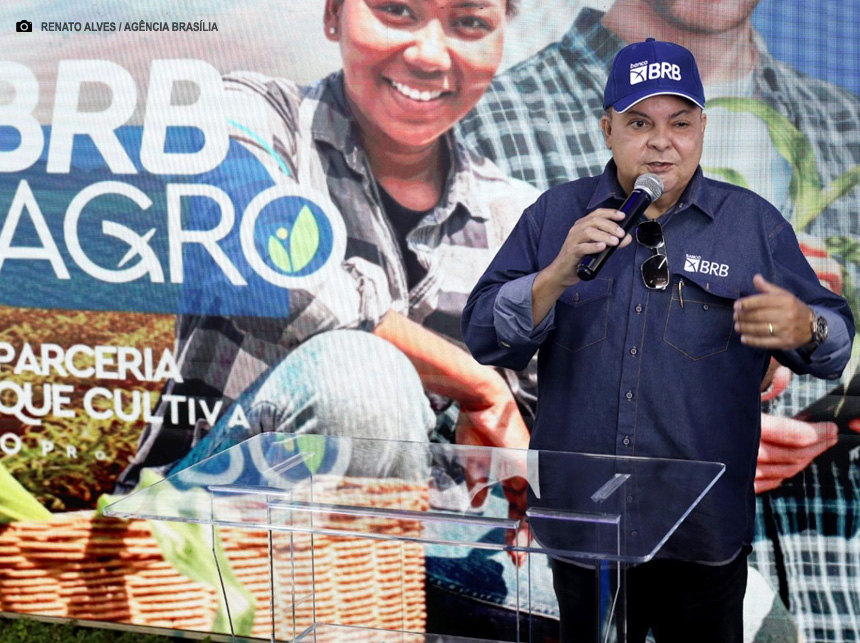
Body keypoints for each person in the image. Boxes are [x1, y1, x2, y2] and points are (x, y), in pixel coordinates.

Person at [457, 2, 860, 640]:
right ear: (607, 128)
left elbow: (834, 343)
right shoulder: (555, 213)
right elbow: (483, 333)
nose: (661, 141)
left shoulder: (749, 224)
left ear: (703, 127)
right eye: (639, 122)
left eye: (680, 122)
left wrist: (803, 326)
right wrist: (557, 273)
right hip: (581, 535)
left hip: (701, 538)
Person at [117, 0, 538, 494]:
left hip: (440, 544)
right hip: (212, 525)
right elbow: (271, 277)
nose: (430, 56)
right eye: (397, 10)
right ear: (333, 14)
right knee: (359, 378)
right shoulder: (249, 115)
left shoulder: (520, 217)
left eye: (469, 22)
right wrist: (478, 386)